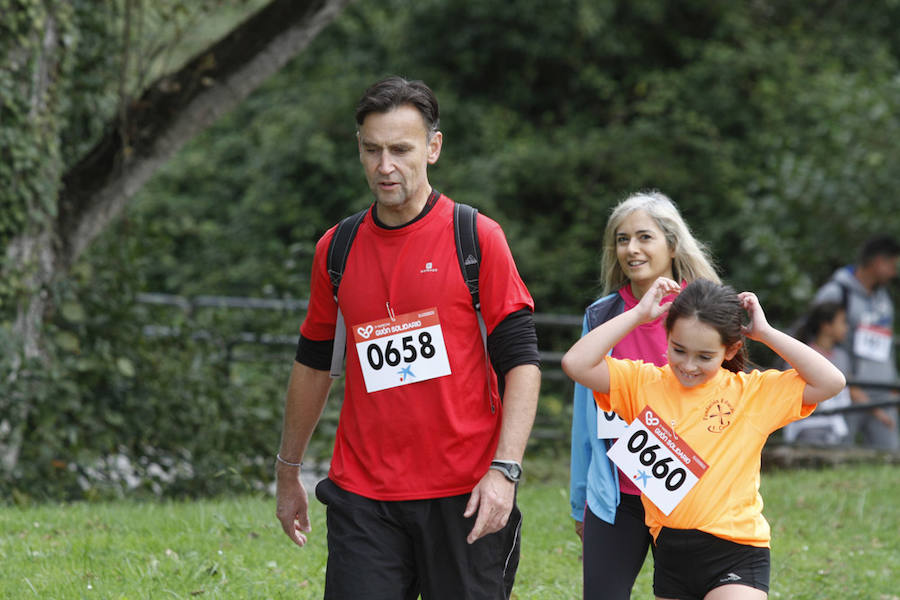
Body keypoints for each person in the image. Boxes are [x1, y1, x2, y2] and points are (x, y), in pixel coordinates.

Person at [274, 76, 542, 600]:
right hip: (363, 495)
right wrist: (288, 471)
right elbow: (312, 364)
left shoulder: (476, 238)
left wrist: (505, 471)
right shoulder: (337, 248)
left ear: (433, 148)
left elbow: (523, 363)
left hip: (464, 492)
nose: (385, 165)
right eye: (372, 150)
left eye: (400, 149)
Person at [562, 277, 845, 600]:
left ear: (731, 350)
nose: (688, 365)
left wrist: (765, 334)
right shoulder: (641, 383)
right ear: (666, 337)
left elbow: (831, 381)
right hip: (671, 555)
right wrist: (639, 314)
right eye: (678, 350)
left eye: (704, 356)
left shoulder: (750, 393)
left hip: (736, 549)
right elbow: (576, 363)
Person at [569, 191, 719, 599]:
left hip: (689, 496)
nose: (631, 249)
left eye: (644, 237)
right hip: (617, 496)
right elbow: (585, 417)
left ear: (672, 244)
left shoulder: (704, 311)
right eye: (621, 239)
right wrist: (581, 499)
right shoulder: (600, 317)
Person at [813, 234, 900, 450]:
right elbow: (817, 342)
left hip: (883, 391)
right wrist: (847, 383)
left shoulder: (884, 298)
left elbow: (885, 345)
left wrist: (893, 382)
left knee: (890, 457)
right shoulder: (836, 292)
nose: (894, 272)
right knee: (839, 455)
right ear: (879, 262)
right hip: (845, 391)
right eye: (892, 265)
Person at [782, 302, 852, 445]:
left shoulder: (842, 357)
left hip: (837, 425)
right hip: (808, 425)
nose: (847, 327)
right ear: (826, 326)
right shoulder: (800, 353)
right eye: (842, 322)